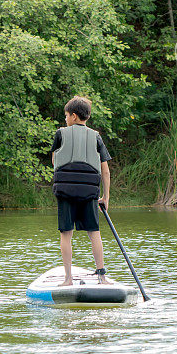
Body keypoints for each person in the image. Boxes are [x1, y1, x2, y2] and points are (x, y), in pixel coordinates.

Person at [50, 95, 112, 287]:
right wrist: (106, 197)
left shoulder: (60, 134)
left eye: (66, 116)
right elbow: (105, 170)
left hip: (66, 191)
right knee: (94, 232)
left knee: (66, 234)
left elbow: (54, 161)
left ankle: (68, 279)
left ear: (74, 116)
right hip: (89, 192)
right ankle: (102, 277)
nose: (65, 119)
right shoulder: (96, 137)